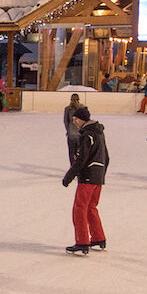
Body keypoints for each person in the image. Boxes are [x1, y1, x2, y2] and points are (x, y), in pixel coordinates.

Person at [61, 106, 108, 254]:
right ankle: (98, 238)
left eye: (76, 119)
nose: (74, 121)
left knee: (79, 209)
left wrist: (69, 176)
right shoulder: (99, 133)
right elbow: (106, 157)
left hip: (88, 176)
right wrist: (101, 175)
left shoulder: (87, 135)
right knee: (91, 208)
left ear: (82, 119)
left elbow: (82, 159)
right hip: (97, 177)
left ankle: (82, 242)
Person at [62, 93, 84, 163]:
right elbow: (85, 120)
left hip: (71, 133)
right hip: (80, 133)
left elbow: (65, 121)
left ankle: (72, 166)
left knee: (71, 152)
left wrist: (68, 130)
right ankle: (78, 167)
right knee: (80, 152)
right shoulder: (82, 108)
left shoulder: (67, 109)